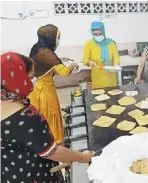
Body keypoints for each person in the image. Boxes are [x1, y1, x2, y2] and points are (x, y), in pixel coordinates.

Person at [1, 52, 94, 183]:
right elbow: (51, 152)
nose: (33, 81)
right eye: (31, 77)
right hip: (34, 175)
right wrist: (83, 157)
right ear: (18, 79)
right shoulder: (25, 116)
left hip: (9, 173)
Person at [28, 24, 78, 144]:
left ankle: (44, 139)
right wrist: (74, 64)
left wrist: (61, 60)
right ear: (51, 38)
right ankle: (55, 142)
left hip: (36, 88)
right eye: (57, 38)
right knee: (51, 114)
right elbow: (65, 72)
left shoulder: (37, 47)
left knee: (41, 116)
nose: (58, 41)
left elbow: (46, 65)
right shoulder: (47, 53)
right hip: (44, 90)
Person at [83, 21, 120, 89]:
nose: (98, 36)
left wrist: (116, 64)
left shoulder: (111, 43)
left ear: (104, 32)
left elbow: (116, 55)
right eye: (95, 34)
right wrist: (90, 62)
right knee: (98, 95)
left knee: (112, 93)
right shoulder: (89, 44)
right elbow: (85, 60)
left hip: (110, 76)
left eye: (100, 34)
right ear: (92, 33)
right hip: (97, 76)